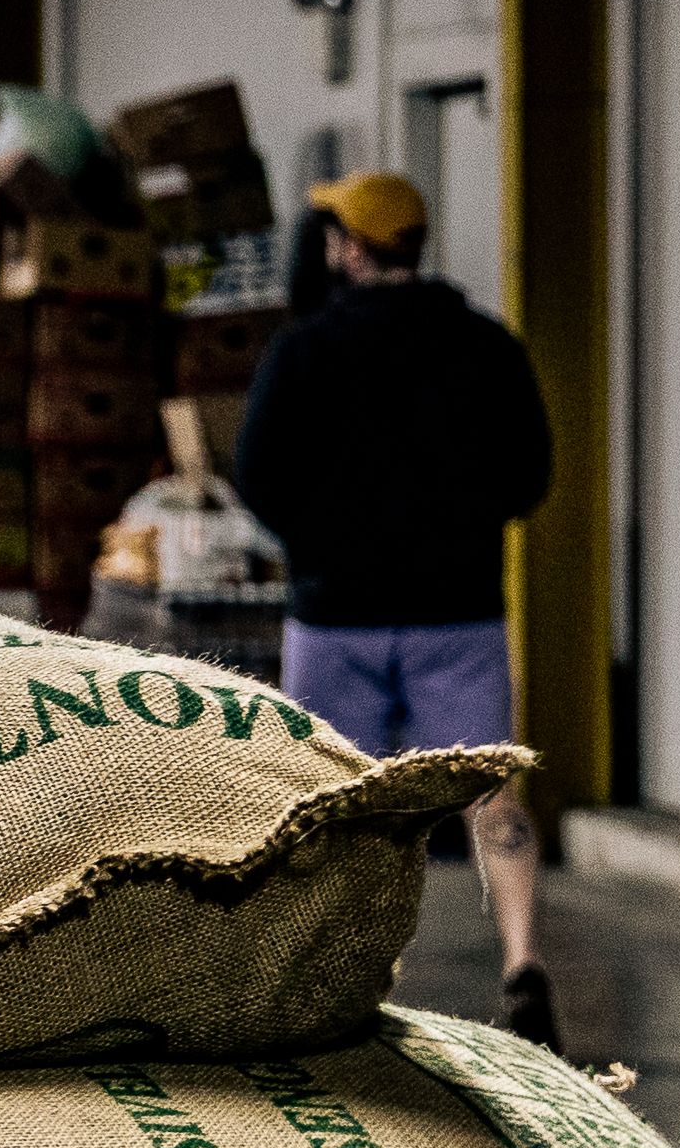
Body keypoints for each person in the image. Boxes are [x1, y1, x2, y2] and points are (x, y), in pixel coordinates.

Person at [229, 167, 560, 1049]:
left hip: (335, 618)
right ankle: (523, 960)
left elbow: (255, 474)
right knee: (492, 794)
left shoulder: (303, 351)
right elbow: (531, 475)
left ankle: (336, 986)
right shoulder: (490, 347)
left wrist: (318, 538)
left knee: (336, 803)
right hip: (459, 614)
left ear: (348, 248)